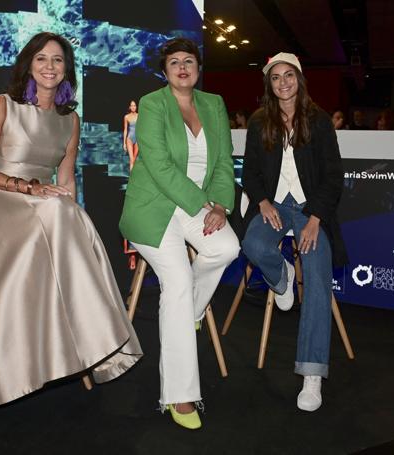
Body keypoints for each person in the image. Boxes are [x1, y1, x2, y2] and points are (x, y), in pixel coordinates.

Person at [0, 32, 142, 409]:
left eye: (58, 60)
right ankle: (97, 340)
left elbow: (65, 180)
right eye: (42, 59)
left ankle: (84, 341)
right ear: (29, 65)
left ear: (67, 70)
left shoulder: (70, 119)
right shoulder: (3, 105)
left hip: (41, 209)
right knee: (58, 212)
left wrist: (71, 209)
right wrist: (28, 188)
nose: (50, 66)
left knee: (71, 214)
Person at [119, 38, 240, 430]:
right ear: (165, 70)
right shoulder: (153, 104)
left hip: (200, 205)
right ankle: (180, 396)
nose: (183, 67)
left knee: (227, 247)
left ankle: (192, 311)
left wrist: (220, 205)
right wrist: (201, 205)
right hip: (154, 207)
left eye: (189, 61)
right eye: (175, 62)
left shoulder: (214, 104)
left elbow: (223, 161)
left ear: (199, 68)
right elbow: (157, 163)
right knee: (177, 279)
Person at [240, 52, 348, 412]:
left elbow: (334, 176)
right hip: (275, 205)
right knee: (253, 243)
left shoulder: (318, 121)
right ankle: (282, 274)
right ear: (269, 84)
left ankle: (312, 374)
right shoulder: (259, 121)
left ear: (299, 79)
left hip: (309, 209)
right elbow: (251, 172)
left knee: (317, 274)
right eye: (275, 77)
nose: (283, 82)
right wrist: (263, 202)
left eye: (289, 75)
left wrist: (316, 217)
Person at [123, 100, 139, 169]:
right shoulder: (126, 117)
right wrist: (124, 143)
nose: (133, 107)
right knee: (131, 159)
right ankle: (131, 178)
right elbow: (125, 129)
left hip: (137, 139)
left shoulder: (139, 116)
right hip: (129, 138)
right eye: (132, 105)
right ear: (129, 107)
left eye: (134, 105)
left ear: (136, 107)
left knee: (134, 160)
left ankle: (133, 177)